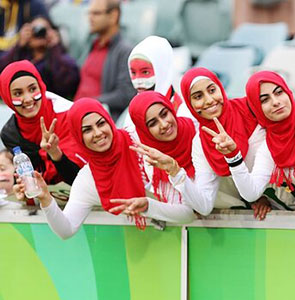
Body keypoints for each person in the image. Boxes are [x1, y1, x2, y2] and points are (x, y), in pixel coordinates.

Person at [13, 98, 195, 239]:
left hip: (187, 245)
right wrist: (45, 199)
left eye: (101, 124)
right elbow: (66, 230)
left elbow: (187, 213)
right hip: (138, 259)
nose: (98, 133)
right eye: (87, 130)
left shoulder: (142, 145)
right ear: (78, 136)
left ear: (109, 121)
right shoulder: (88, 179)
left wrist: (148, 206)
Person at [203, 70, 295, 229]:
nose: (275, 102)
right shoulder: (269, 148)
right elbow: (251, 193)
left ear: (288, 91)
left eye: (279, 92)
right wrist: (232, 156)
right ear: (257, 108)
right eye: (265, 100)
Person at [133, 67, 271, 218]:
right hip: (265, 211)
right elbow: (204, 206)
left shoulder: (251, 111)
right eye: (198, 97)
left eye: (212, 90)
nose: (209, 100)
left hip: (293, 199)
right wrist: (174, 171)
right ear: (190, 104)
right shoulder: (201, 142)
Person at [0, 60, 84, 185]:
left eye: (32, 89)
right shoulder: (10, 133)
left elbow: (81, 177)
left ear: (41, 86)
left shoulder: (69, 114)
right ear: (7, 97)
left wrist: (55, 153)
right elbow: (28, 178)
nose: (28, 99)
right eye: (18, 93)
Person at [128, 91, 195, 204]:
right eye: (153, 123)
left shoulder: (198, 131)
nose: (164, 125)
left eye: (164, 114)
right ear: (144, 130)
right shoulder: (148, 161)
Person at [74, 0, 135, 121]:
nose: (90, 18)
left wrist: (90, 103)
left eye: (96, 13)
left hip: (98, 121)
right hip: (76, 115)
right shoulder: (91, 45)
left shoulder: (124, 51)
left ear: (113, 16)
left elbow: (126, 94)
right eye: (89, 13)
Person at [123, 35, 191, 141]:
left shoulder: (186, 112)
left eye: (145, 72)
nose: (138, 80)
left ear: (162, 71)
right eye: (133, 72)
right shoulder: (131, 116)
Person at [0, 15, 79, 99]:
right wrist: (19, 45)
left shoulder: (60, 58)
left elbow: (66, 85)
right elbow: (3, 71)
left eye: (43, 30)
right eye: (34, 30)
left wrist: (55, 47)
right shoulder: (21, 55)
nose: (39, 33)